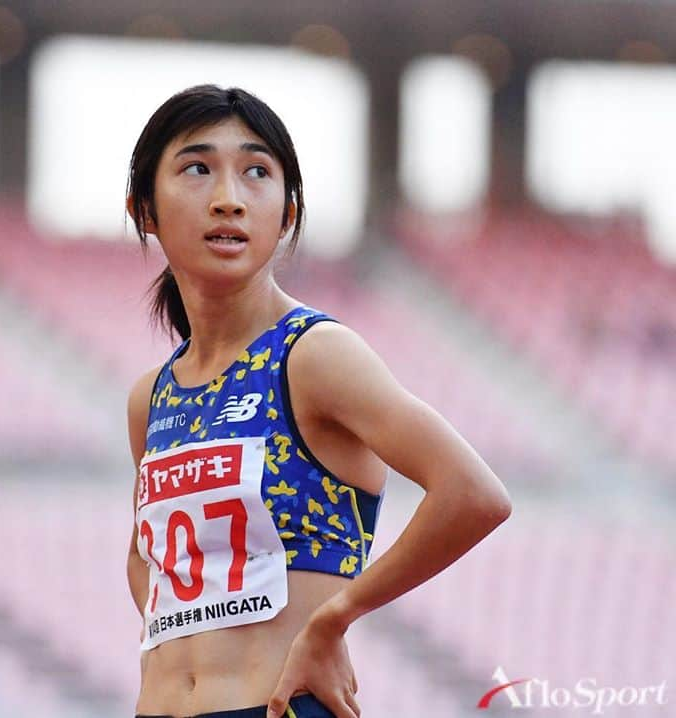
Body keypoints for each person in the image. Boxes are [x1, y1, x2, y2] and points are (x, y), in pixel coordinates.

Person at [124, 85, 512, 718]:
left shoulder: (314, 355)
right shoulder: (152, 398)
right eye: (197, 169)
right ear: (144, 208)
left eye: (257, 173)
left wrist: (335, 618)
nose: (228, 198)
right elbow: (145, 556)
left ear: (289, 214)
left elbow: (473, 492)